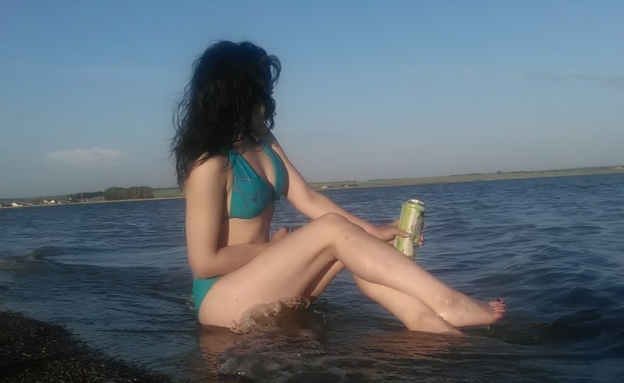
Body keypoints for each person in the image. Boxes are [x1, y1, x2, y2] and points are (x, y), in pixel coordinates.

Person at [172, 40, 505, 335]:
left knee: (356, 244)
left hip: (265, 282)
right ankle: (447, 301)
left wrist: (375, 232)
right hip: (222, 300)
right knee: (332, 229)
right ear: (236, 94)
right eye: (261, 90)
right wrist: (272, 249)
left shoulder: (264, 142)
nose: (268, 98)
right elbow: (204, 263)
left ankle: (425, 321)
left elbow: (308, 198)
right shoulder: (209, 165)